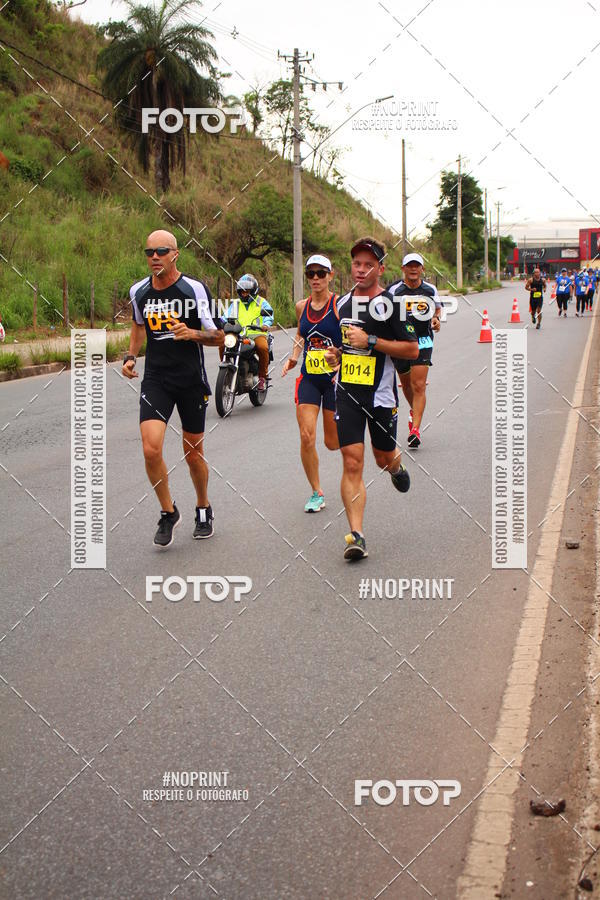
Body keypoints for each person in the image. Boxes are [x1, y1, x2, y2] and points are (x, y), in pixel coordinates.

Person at [123, 229, 224, 547]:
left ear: (175, 254)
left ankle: (203, 507)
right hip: (156, 379)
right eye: (149, 252)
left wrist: (192, 334)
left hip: (190, 380)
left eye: (161, 251)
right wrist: (130, 356)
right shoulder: (139, 291)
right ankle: (169, 512)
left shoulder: (194, 289)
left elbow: (219, 336)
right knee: (150, 448)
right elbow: (138, 326)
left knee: (193, 453)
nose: (154, 258)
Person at [325, 237, 419, 560]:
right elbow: (346, 344)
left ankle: (394, 466)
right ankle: (357, 535)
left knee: (382, 457)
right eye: (356, 264)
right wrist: (336, 355)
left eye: (368, 265)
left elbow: (412, 349)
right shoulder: (342, 304)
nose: (361, 270)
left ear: (380, 269)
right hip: (347, 392)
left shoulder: (391, 305)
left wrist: (373, 340)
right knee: (351, 461)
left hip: (380, 396)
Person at [281, 255, 341, 513]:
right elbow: (300, 334)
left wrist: (339, 355)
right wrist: (294, 357)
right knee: (306, 435)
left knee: (332, 442)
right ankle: (316, 492)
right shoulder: (301, 306)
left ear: (331, 275)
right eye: (311, 274)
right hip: (309, 378)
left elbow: (351, 337)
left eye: (321, 273)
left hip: (334, 380)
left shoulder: (340, 306)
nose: (315, 278)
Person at [387, 253, 442, 448]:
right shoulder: (393, 290)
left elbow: (437, 309)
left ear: (422, 269)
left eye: (416, 266)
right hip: (401, 342)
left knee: (419, 385)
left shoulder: (429, 289)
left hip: (423, 340)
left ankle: (415, 430)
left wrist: (436, 320)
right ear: (403, 269)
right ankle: (414, 411)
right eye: (409, 266)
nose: (413, 269)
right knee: (407, 385)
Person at [224, 275, 273, 390]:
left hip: (257, 333)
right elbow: (225, 316)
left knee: (262, 347)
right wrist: (220, 322)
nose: (244, 293)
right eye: (242, 291)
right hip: (238, 333)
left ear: (253, 290)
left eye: (247, 291)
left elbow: (269, 315)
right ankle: (227, 370)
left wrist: (265, 325)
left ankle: (262, 377)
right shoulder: (235, 303)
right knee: (223, 344)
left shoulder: (261, 302)